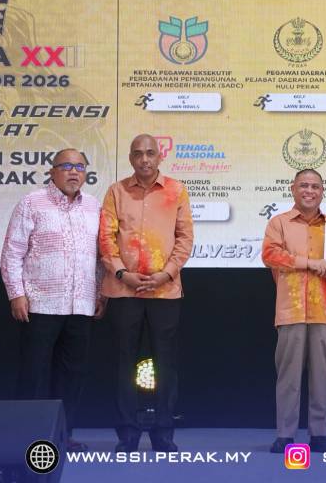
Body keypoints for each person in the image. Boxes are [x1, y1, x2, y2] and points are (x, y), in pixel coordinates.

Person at [1, 148, 104, 450]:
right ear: (52, 171)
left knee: (72, 375)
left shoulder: (94, 206)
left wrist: (100, 293)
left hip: (81, 305)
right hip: (40, 304)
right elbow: (12, 253)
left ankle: (62, 434)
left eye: (80, 167)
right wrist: (16, 294)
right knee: (33, 374)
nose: (74, 172)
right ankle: (26, 436)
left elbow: (101, 257)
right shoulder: (31, 203)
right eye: (66, 166)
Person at [99, 134, 194, 452]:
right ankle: (127, 431)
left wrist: (166, 274)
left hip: (164, 291)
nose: (144, 159)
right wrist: (122, 273)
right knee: (124, 362)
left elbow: (185, 238)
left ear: (159, 156)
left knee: (165, 363)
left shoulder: (176, 191)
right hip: (123, 290)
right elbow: (106, 239)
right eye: (138, 154)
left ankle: (163, 431)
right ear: (130, 158)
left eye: (150, 153)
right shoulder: (116, 191)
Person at [262, 169, 326, 454]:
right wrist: (310, 263)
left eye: (315, 186)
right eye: (304, 185)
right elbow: (270, 255)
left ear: (322, 191)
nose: (309, 191)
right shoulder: (279, 222)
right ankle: (285, 435)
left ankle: (320, 434)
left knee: (323, 376)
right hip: (291, 309)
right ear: (293, 189)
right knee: (288, 376)